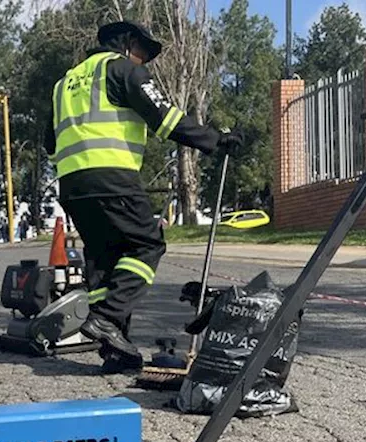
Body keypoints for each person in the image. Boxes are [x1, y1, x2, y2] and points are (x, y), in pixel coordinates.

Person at [47, 21, 235, 372]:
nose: (145, 63)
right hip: (111, 176)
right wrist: (214, 140)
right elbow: (165, 119)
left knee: (105, 259)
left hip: (72, 185)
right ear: (128, 43)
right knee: (147, 245)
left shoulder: (64, 84)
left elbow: (49, 143)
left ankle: (114, 349)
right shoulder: (121, 70)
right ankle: (106, 319)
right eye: (144, 54)